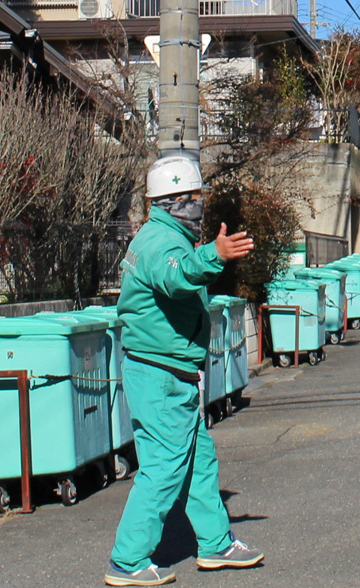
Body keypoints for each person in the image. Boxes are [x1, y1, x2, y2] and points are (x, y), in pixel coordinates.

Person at [105, 155, 263, 588]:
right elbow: (178, 277)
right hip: (158, 374)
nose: (200, 206)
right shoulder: (162, 244)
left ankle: (215, 544)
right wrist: (216, 254)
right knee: (164, 466)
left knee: (196, 459)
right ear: (175, 201)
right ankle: (128, 559)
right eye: (195, 198)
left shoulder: (161, 234)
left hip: (165, 370)